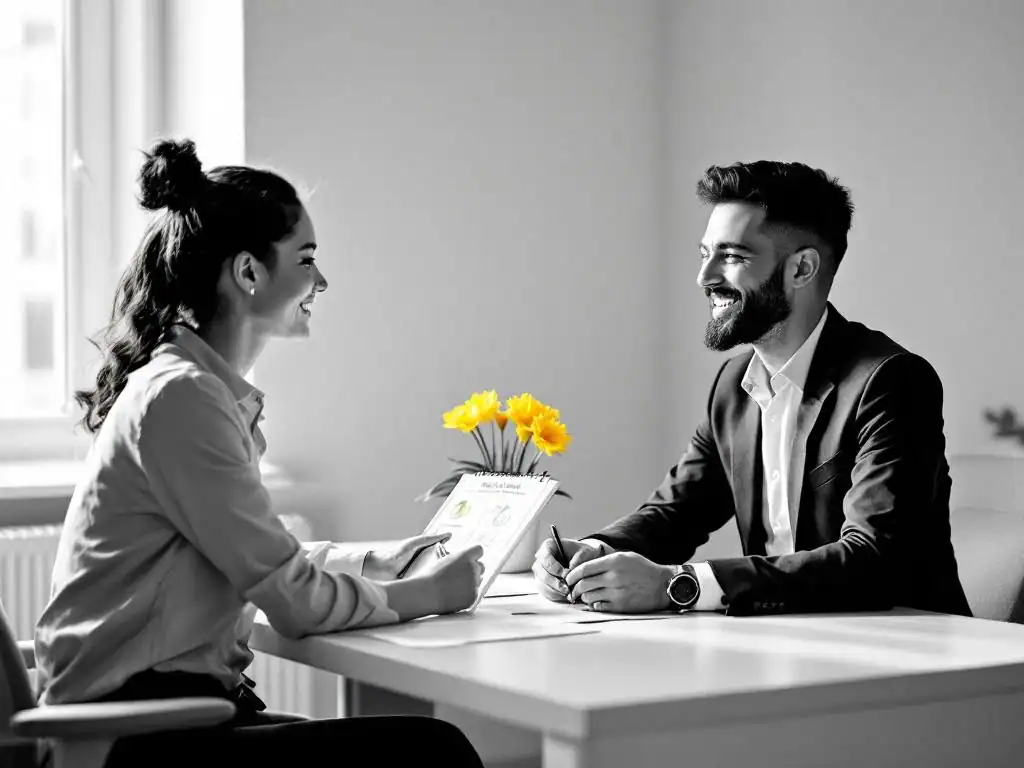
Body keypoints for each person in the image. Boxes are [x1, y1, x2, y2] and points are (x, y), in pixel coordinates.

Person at [34, 138, 486, 767]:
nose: (320, 281)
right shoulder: (184, 399)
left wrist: (377, 560)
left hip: (161, 718)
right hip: (134, 738)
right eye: (306, 259)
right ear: (248, 273)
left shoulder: (191, 389)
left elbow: (253, 556)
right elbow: (293, 601)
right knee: (432, 750)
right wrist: (430, 596)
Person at [533, 160, 971, 618]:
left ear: (802, 268)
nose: (705, 277)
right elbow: (677, 512)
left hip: (903, 643)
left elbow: (873, 558)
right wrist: (594, 550)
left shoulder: (892, 381)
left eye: (732, 257)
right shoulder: (733, 385)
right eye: (705, 254)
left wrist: (678, 584)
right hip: (782, 639)